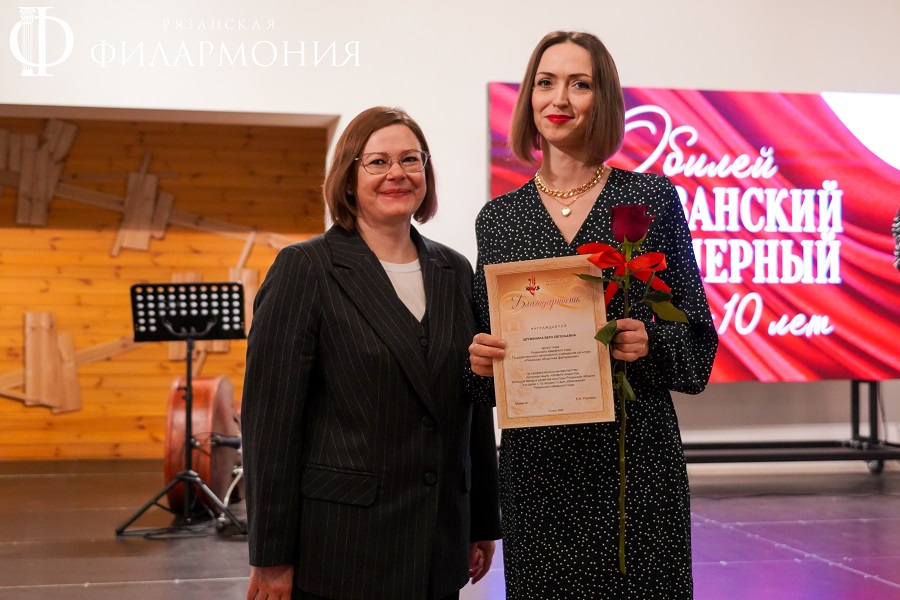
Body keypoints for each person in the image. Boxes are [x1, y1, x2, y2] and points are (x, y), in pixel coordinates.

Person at [469, 31, 718, 599]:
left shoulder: (650, 200)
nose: (559, 98)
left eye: (579, 84)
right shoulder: (498, 219)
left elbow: (697, 340)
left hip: (634, 466)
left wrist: (650, 342)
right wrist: (480, 360)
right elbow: (486, 362)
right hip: (538, 473)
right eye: (545, 82)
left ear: (602, 98)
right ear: (529, 98)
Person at [241, 106, 501, 600]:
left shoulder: (455, 270)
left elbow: (470, 405)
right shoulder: (305, 269)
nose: (396, 173)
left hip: (438, 543)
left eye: (410, 159)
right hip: (342, 550)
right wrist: (271, 556)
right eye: (378, 162)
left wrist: (481, 520)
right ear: (348, 177)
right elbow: (270, 426)